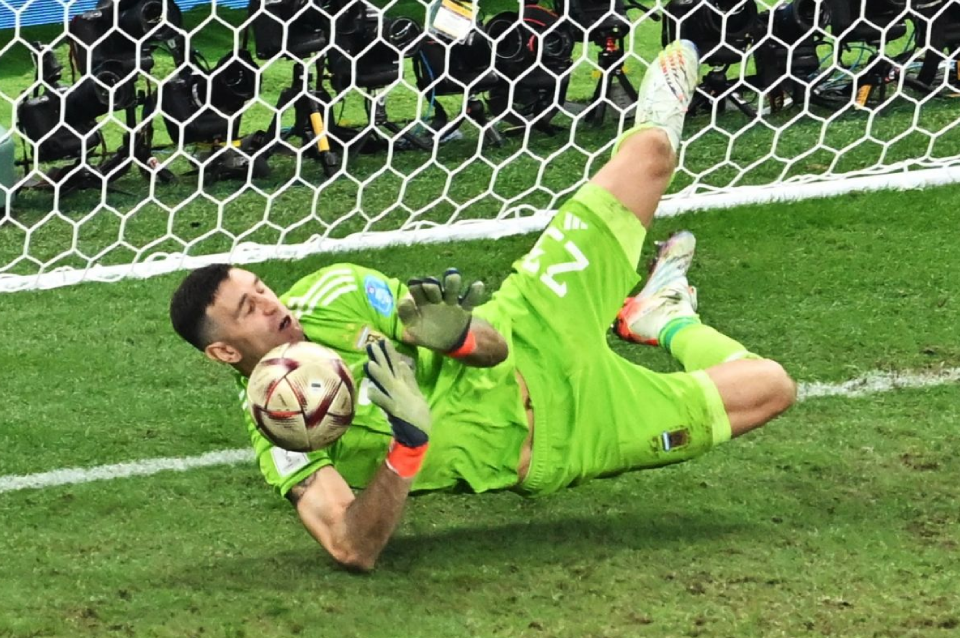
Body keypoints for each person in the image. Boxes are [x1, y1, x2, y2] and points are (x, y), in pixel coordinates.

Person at [169, 41, 796, 571]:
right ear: (222, 351)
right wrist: (407, 442)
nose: (271, 303)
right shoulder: (282, 427)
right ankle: (668, 319)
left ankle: (653, 303)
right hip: (574, 438)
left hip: (534, 323)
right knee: (772, 386)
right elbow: (350, 547)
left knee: (651, 155)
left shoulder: (339, 292)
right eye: (248, 309)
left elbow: (490, 348)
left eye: (261, 287)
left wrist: (459, 335)